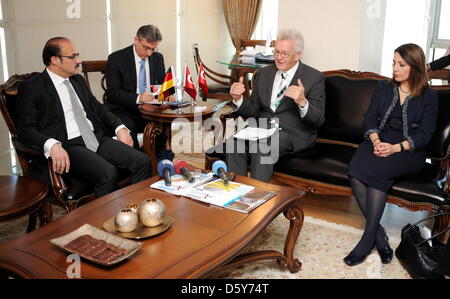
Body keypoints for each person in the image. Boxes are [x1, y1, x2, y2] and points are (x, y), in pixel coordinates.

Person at [16, 37, 152, 198]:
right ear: (55, 60)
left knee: (142, 161)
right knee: (108, 173)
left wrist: (119, 127)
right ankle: (103, 220)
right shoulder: (33, 87)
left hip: (95, 137)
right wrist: (51, 145)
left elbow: (98, 108)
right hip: (68, 144)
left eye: (77, 55)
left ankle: (134, 209)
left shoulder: (77, 81)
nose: (78, 60)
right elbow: (25, 130)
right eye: (73, 56)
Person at [345, 43, 439, 266]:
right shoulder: (383, 87)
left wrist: (396, 148)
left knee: (377, 174)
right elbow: (369, 118)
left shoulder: (429, 95)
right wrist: (376, 140)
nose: (395, 68)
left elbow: (426, 134)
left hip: (409, 150)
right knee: (355, 172)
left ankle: (368, 240)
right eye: (393, 63)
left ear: (414, 67)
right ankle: (379, 234)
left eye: (401, 64)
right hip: (379, 140)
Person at [225, 29, 325, 182]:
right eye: (276, 52)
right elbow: (253, 110)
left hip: (291, 133)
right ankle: (235, 195)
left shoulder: (314, 77)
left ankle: (257, 200)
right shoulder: (263, 74)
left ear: (298, 54)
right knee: (233, 143)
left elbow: (318, 120)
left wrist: (302, 102)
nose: (278, 57)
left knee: (262, 148)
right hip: (261, 129)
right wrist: (238, 99)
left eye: (284, 53)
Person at [105, 25, 174, 159]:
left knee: (159, 128)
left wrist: (167, 94)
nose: (149, 53)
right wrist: (138, 98)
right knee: (130, 130)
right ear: (136, 40)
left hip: (150, 108)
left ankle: (158, 165)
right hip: (123, 108)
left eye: (153, 49)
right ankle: (140, 167)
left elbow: (161, 85)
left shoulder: (158, 58)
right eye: (146, 48)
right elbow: (113, 93)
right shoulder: (117, 58)